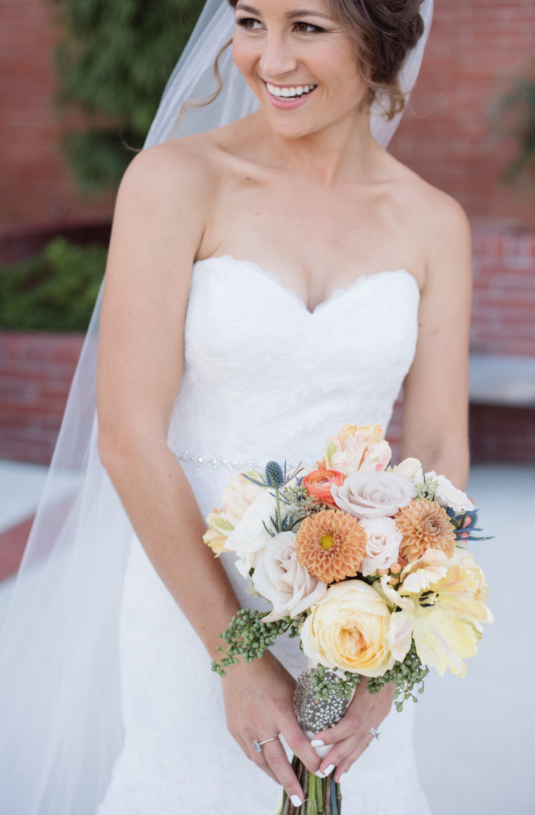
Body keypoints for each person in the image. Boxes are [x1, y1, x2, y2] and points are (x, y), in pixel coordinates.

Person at [0, 0, 473, 813]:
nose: (268, 59)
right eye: (251, 20)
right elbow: (128, 438)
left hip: (354, 618)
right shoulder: (176, 181)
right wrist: (238, 659)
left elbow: (436, 445)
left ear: (381, 39)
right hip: (190, 597)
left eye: (307, 27)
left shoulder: (433, 222)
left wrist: (395, 646)